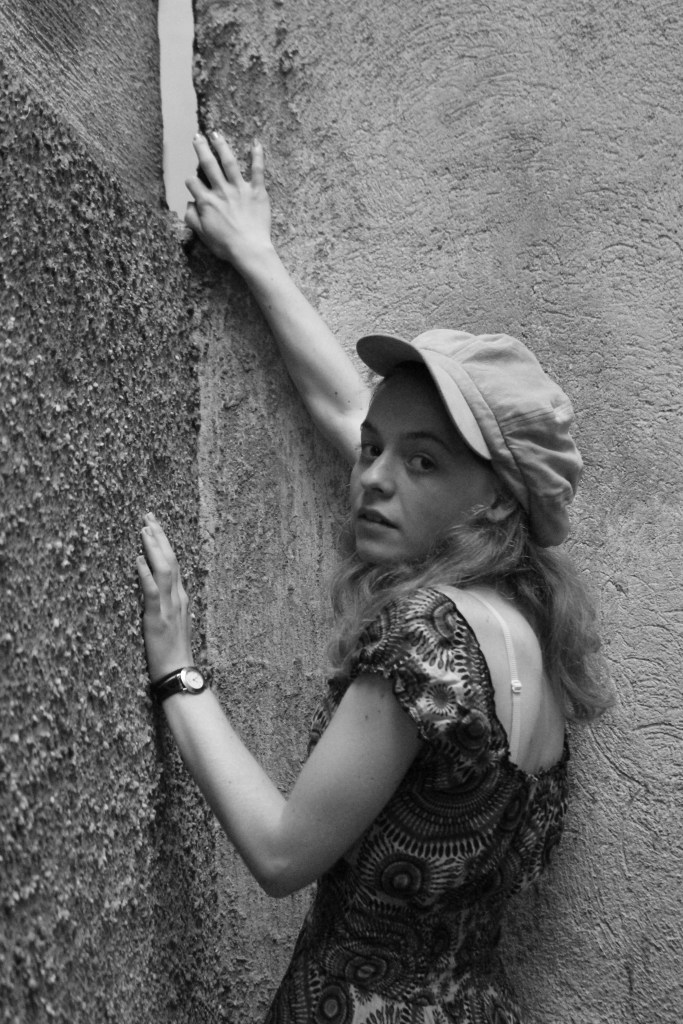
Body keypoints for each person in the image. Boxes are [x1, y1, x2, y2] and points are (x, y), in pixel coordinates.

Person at [136, 132, 610, 1024]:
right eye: (374, 452)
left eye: (421, 462)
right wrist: (255, 255)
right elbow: (347, 408)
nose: (374, 479)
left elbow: (282, 855)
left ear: (495, 500)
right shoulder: (530, 632)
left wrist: (177, 673)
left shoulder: (427, 636)